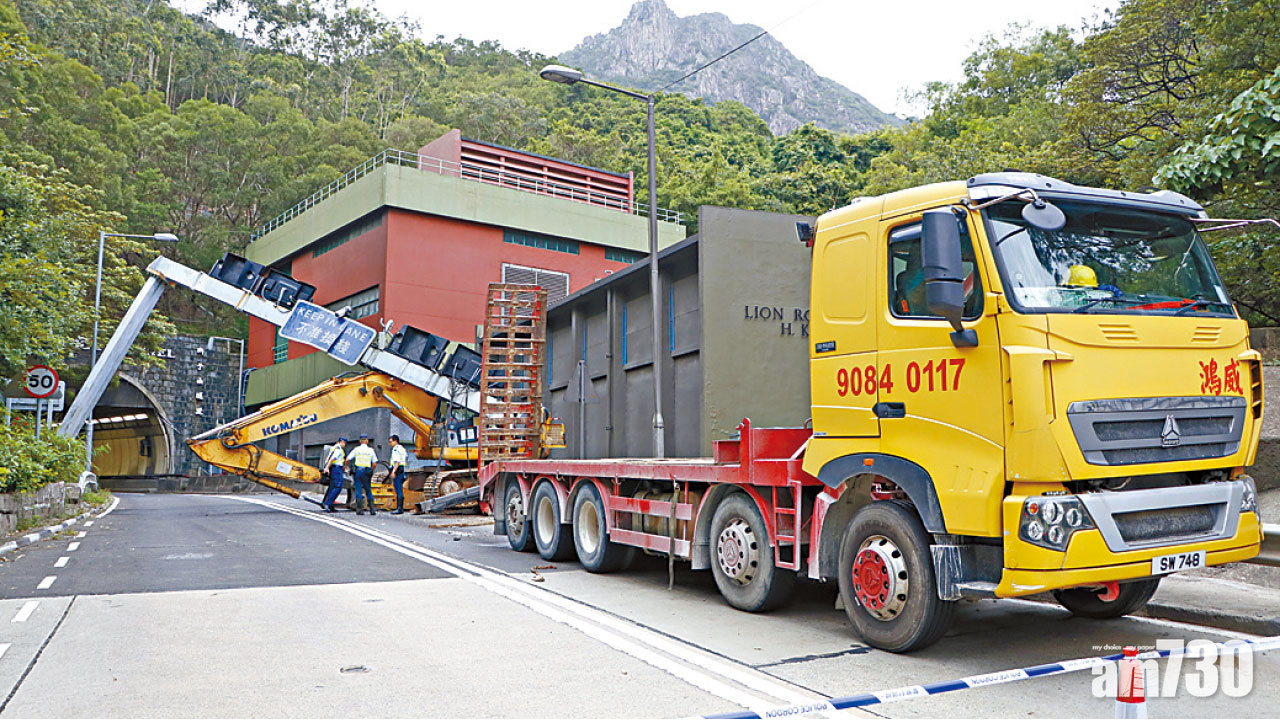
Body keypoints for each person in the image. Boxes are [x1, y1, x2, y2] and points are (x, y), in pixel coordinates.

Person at [347, 434, 378, 515]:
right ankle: (372, 509)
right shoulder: (371, 450)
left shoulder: (356, 449)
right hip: (367, 471)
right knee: (368, 490)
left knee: (358, 490)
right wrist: (371, 470)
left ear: (360, 441)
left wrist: (346, 467)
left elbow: (347, 459)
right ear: (367, 441)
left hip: (358, 471)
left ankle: (360, 510)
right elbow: (374, 463)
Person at [320, 437, 347, 513]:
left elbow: (327, 459)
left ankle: (330, 504)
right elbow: (332, 459)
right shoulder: (338, 449)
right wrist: (327, 468)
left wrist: (327, 467)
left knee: (332, 486)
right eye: (345, 443)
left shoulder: (333, 448)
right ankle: (328, 503)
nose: (345, 445)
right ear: (341, 442)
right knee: (338, 486)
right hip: (337, 469)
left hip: (333, 468)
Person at [388, 434, 408, 515]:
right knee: (400, 488)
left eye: (390, 442)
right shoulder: (402, 448)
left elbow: (397, 461)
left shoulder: (396, 449)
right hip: (402, 469)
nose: (390, 444)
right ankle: (400, 508)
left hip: (397, 470)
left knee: (398, 489)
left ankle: (399, 508)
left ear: (395, 441)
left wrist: (393, 471)